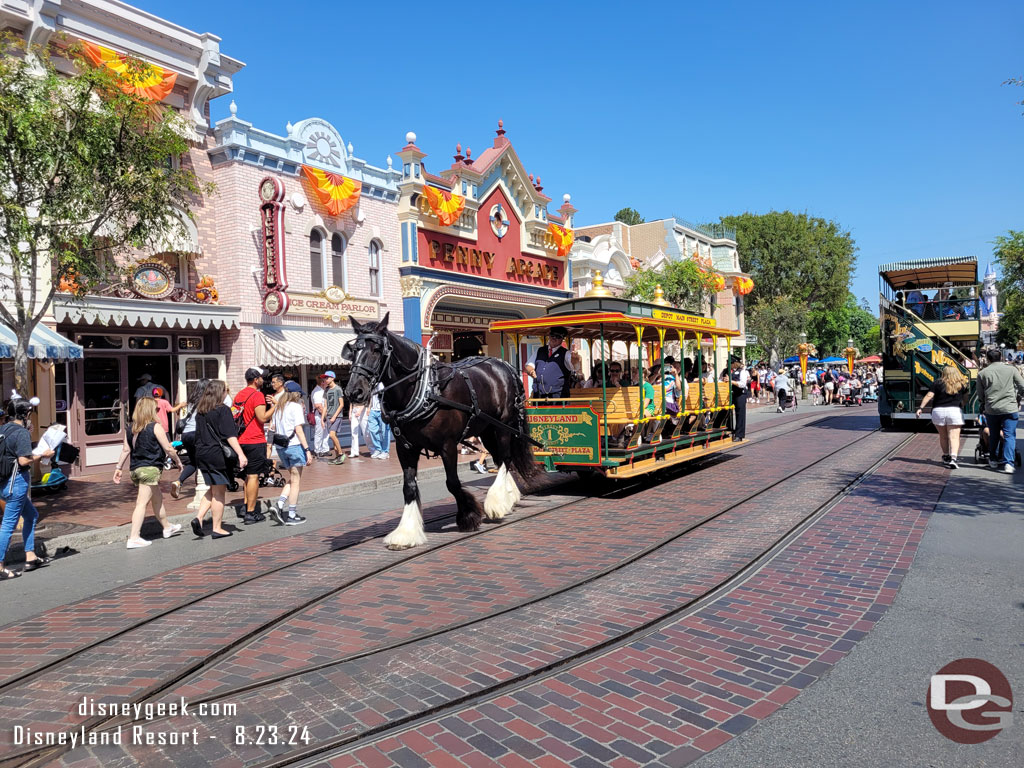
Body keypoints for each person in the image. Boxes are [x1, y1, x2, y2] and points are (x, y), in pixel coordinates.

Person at [112, 397, 183, 549]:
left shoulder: (131, 428)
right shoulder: (155, 427)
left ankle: (167, 527)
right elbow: (168, 449)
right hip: (149, 469)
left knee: (157, 498)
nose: (158, 411)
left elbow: (126, 449)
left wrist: (118, 468)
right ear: (151, 410)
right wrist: (178, 461)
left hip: (136, 469)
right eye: (156, 409)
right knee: (141, 503)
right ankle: (134, 537)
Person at [0, 396, 53, 580]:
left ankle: (30, 557)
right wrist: (43, 454)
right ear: (26, 413)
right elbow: (24, 459)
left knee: (31, 515)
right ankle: (0, 566)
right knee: (8, 525)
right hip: (17, 483)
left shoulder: (4, 429)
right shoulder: (21, 432)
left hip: (5, 482)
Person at [192, 380, 247, 538]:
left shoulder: (201, 411)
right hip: (217, 454)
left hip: (202, 453)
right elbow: (230, 435)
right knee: (219, 492)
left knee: (212, 488)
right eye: (225, 390)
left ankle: (199, 517)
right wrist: (241, 454)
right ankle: (217, 528)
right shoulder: (223, 410)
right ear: (220, 392)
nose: (226, 393)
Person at [233, 367, 276, 524]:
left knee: (246, 476)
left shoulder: (239, 394)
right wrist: (274, 407)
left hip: (240, 440)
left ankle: (245, 506)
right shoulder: (257, 395)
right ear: (256, 379)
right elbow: (262, 418)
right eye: (261, 378)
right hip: (254, 440)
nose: (263, 380)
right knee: (253, 476)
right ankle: (251, 513)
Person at [269, 383, 312, 525]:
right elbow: (298, 430)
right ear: (296, 394)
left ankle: (280, 504)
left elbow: (272, 428)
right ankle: (292, 515)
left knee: (293, 478)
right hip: (294, 446)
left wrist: (269, 447)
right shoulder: (296, 407)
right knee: (296, 481)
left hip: (281, 447)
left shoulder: (278, 408)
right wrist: (307, 450)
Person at [976, 347, 1024, 474]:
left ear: (988, 359)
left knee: (994, 435)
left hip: (992, 408)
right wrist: (1018, 396)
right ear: (1001, 358)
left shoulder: (982, 373)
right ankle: (1008, 463)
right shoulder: (1011, 370)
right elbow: (1022, 386)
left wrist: (983, 402)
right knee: (1009, 435)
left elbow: (980, 394)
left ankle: (993, 459)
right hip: (1009, 407)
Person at [915, 365, 969, 468]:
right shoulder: (962, 384)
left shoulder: (937, 383)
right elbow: (966, 397)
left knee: (943, 436)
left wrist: (921, 408)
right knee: (954, 436)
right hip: (954, 411)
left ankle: (946, 456)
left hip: (938, 411)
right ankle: (953, 458)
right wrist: (962, 404)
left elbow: (929, 395)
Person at [172, 379, 208, 505]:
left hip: (186, 434)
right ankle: (202, 487)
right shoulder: (205, 401)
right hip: (196, 434)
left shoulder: (192, 400)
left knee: (194, 462)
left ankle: (179, 482)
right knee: (203, 460)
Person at [525, 326, 573, 399]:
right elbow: (529, 365)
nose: (554, 338)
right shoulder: (540, 350)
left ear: (562, 339)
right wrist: (531, 371)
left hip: (558, 396)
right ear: (549, 336)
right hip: (538, 395)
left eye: (558, 337)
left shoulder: (566, 353)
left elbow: (575, 366)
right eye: (552, 335)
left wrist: (576, 360)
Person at [321, 370, 346, 465]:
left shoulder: (338, 389)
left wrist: (334, 416)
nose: (326, 380)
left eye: (327, 378)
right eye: (325, 378)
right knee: (333, 437)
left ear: (332, 378)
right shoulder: (326, 390)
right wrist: (322, 419)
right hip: (329, 416)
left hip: (337, 416)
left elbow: (341, 404)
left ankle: (340, 454)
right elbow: (325, 406)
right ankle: (337, 457)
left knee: (332, 435)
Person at [368, 382, 391, 460]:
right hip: (373, 410)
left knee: (385, 432)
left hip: (382, 410)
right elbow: (371, 397)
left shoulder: (381, 384)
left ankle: (385, 451)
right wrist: (369, 408)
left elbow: (385, 397)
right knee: (372, 430)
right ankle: (378, 449)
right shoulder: (372, 385)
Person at [310, 374, 330, 457]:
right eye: (326, 381)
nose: (327, 382)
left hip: (322, 414)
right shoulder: (317, 392)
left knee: (325, 432)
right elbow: (318, 406)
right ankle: (317, 450)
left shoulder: (321, 391)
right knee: (319, 432)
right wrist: (325, 415)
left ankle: (324, 449)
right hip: (319, 415)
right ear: (322, 382)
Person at [730, 359, 749, 440]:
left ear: (734, 363)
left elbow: (742, 384)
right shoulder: (730, 371)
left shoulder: (742, 372)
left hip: (740, 394)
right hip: (732, 394)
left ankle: (739, 434)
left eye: (730, 363)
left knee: (740, 414)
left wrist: (731, 382)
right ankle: (730, 430)